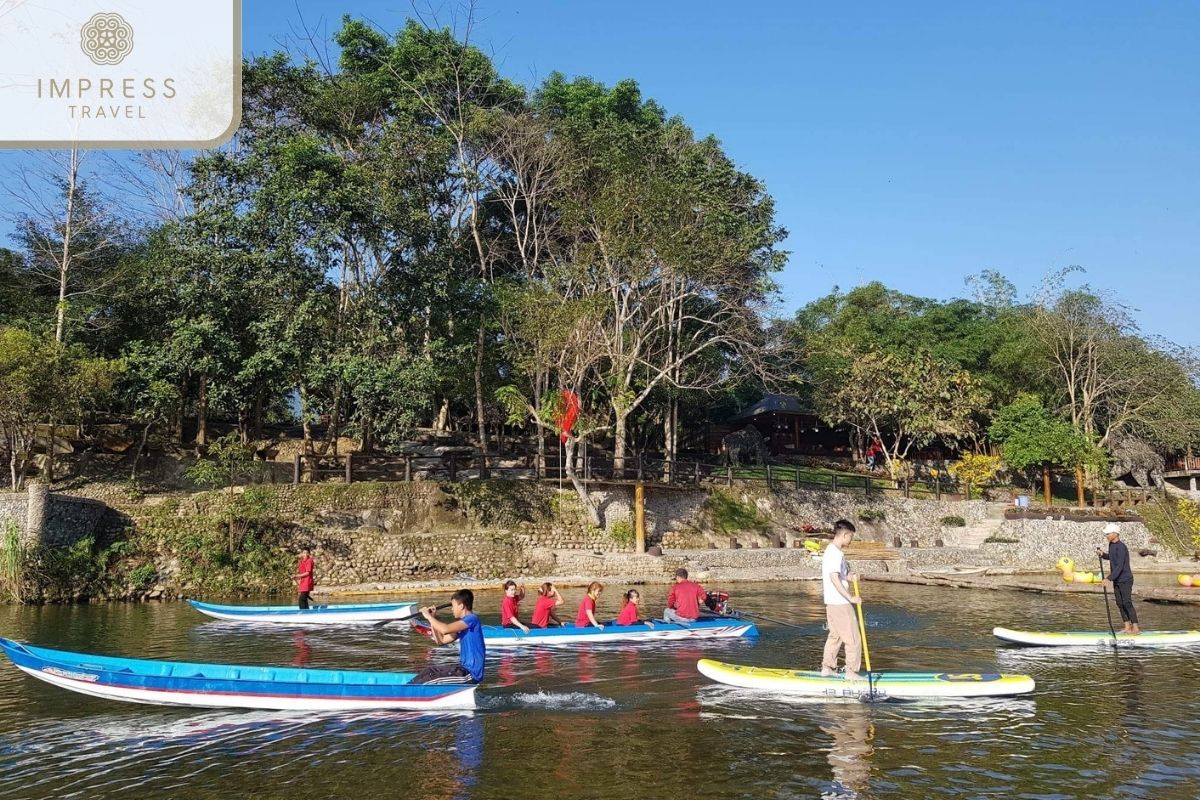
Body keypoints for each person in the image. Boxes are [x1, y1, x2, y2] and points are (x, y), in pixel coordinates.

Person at [413, 589, 486, 684]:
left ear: (461, 606)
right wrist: (432, 618)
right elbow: (441, 641)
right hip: (462, 669)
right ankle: (405, 688)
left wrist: (428, 616)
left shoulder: (472, 619)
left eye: (453, 606)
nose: (452, 609)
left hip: (470, 674)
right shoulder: (462, 625)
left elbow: (445, 629)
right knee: (430, 670)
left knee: (431, 679)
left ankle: (408, 693)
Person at [821, 519, 863, 680]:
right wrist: (850, 597)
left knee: (836, 636)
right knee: (853, 638)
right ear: (845, 535)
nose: (851, 540)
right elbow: (834, 578)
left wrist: (849, 576)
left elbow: (839, 575)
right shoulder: (835, 553)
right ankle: (851, 672)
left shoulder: (832, 552)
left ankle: (828, 667)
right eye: (851, 536)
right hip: (840, 602)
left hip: (832, 603)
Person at [1098, 522, 1141, 635]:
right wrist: (1103, 554)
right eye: (1106, 534)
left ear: (1115, 534)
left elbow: (1120, 566)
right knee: (1119, 603)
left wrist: (1109, 578)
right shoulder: (1111, 545)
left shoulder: (1122, 547)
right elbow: (1112, 557)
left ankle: (1136, 628)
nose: (1106, 536)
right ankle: (1127, 627)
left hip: (1125, 579)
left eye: (1108, 534)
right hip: (1117, 579)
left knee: (1127, 603)